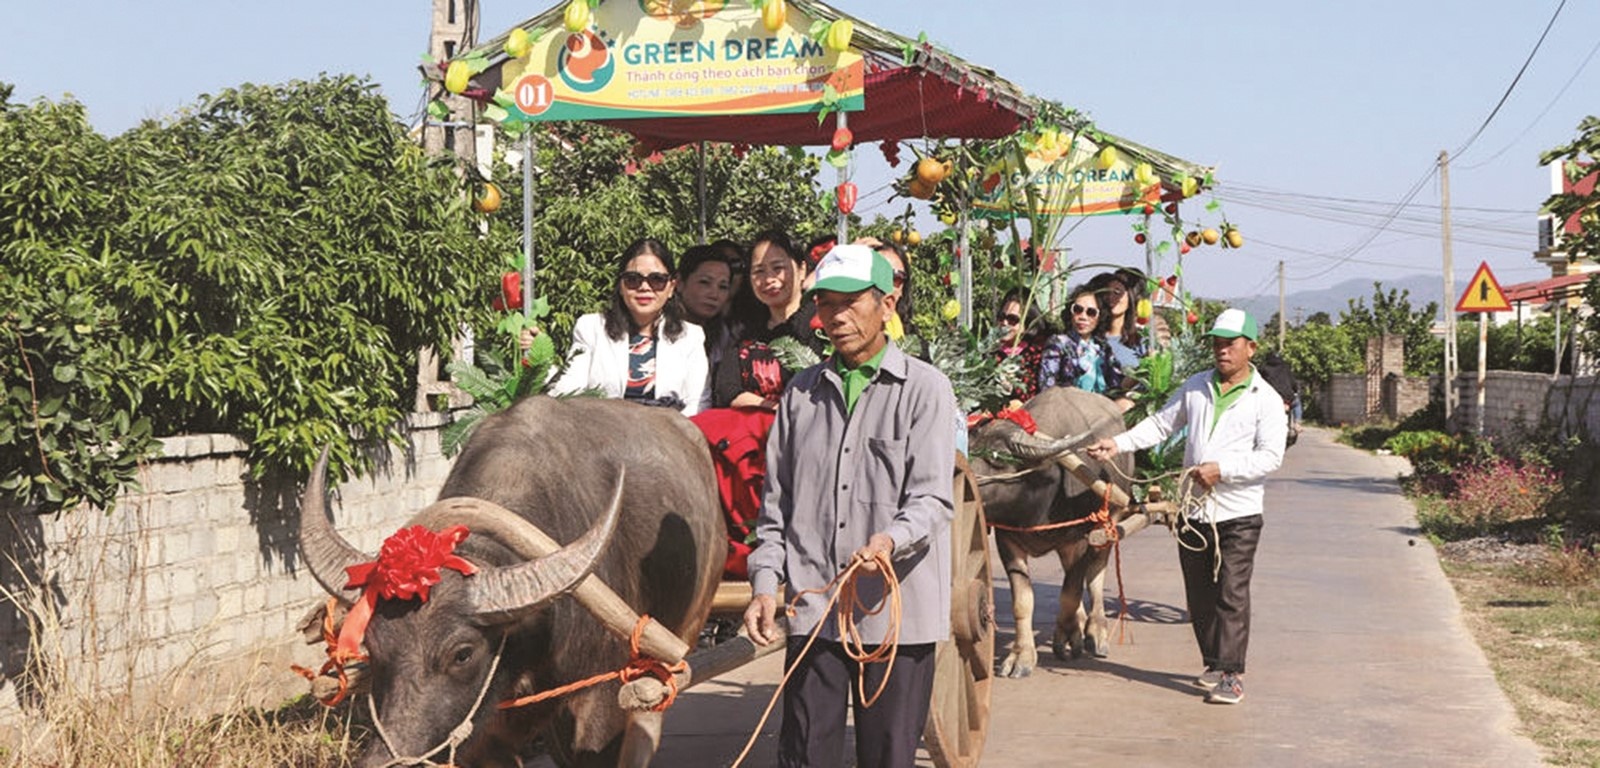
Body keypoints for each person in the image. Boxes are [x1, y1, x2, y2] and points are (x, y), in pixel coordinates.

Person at [744, 244, 956, 768]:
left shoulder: (926, 391)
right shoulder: (800, 395)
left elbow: (932, 497)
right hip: (815, 613)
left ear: (887, 305)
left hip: (893, 617)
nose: (836, 317)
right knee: (804, 755)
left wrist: (890, 540)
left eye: (851, 302)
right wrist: (766, 585)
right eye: (825, 304)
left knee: (886, 757)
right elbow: (776, 508)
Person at [1084, 308, 1287, 706]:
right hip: (1193, 511)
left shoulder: (1267, 399)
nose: (1221, 350)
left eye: (1230, 343)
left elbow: (1270, 457)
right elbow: (1162, 424)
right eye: (1216, 343)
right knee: (1199, 594)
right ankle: (1213, 661)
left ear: (1251, 347)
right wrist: (1117, 444)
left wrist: (1222, 470)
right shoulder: (1196, 386)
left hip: (1238, 512)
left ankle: (1232, 673)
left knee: (1232, 590)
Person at [544, 238, 709, 415]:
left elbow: (699, 403)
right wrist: (541, 361)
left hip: (667, 435)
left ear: (671, 287)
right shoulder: (591, 328)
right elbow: (568, 393)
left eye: (657, 279)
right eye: (633, 279)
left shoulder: (691, 336)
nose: (645, 287)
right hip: (604, 432)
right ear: (621, 286)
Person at [709, 229, 824, 410]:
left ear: (802, 270)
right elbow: (726, 390)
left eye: (778, 268)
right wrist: (776, 411)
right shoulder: (744, 330)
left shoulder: (821, 324)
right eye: (759, 271)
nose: (768, 279)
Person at [1039, 285, 1132, 410]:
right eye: (1078, 309)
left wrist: (1140, 372)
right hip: (1065, 411)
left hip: (1099, 412)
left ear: (1099, 317)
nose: (1083, 316)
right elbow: (1047, 387)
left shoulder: (1103, 348)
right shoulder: (1058, 343)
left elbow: (1116, 386)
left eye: (1091, 312)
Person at [677, 243, 737, 364]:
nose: (714, 294)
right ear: (679, 282)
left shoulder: (724, 337)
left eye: (723, 286)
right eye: (704, 282)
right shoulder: (657, 330)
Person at [994, 287, 1046, 402]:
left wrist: (1013, 385)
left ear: (1027, 323)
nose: (1004, 323)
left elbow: (1034, 393)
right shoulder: (991, 352)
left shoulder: (1035, 354)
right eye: (1001, 317)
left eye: (1012, 319)